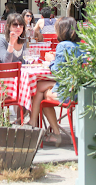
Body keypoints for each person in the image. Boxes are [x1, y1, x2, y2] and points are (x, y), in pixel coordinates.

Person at [29, 17, 83, 146]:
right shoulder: (80, 46)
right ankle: (36, 126)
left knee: (40, 93)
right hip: (78, 90)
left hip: (67, 93)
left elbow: (57, 71)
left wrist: (51, 60)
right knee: (39, 86)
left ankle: (38, 129)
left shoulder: (62, 45)